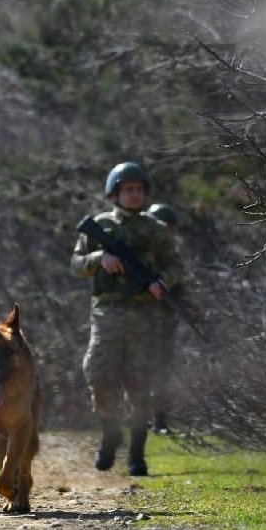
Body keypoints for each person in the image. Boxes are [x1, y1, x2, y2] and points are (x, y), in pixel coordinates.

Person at [71, 161, 182, 476]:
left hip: (144, 316)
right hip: (107, 314)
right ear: (115, 192)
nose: (134, 195)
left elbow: (176, 265)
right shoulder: (100, 225)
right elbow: (76, 264)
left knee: (140, 383)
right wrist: (100, 259)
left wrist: (162, 282)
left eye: (139, 189)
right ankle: (110, 433)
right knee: (99, 374)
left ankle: (137, 455)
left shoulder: (156, 230)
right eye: (128, 189)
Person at [145, 202, 183, 435]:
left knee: (162, 371)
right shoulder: (141, 253)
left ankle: (160, 419)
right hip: (137, 320)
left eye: (168, 228)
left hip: (164, 320)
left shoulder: (171, 258)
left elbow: (180, 286)